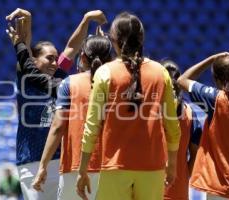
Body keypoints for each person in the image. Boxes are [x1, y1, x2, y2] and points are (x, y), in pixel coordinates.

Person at [76, 12, 181, 200]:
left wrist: (82, 170)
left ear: (113, 40)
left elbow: (92, 126)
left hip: (115, 167)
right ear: (142, 39)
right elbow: (172, 126)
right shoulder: (161, 72)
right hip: (153, 166)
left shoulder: (104, 72)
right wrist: (172, 164)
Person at [32, 34, 112, 200]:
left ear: (82, 57)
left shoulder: (69, 83)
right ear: (110, 58)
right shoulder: (120, 83)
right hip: (112, 168)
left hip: (74, 168)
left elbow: (58, 127)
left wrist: (43, 166)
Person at [6, 8, 73, 200]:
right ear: (34, 61)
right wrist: (27, 24)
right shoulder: (27, 79)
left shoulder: (59, 79)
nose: (55, 62)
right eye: (49, 58)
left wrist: (86, 20)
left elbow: (71, 49)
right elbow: (24, 54)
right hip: (32, 162)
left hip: (61, 161)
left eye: (56, 58)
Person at [177, 53, 229, 200]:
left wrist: (211, 59)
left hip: (220, 188)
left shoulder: (216, 100)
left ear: (217, 80)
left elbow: (182, 80)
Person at [161, 60, 202, 200]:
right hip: (179, 189)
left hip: (148, 186)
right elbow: (195, 154)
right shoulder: (191, 113)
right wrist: (184, 175)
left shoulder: (148, 112)